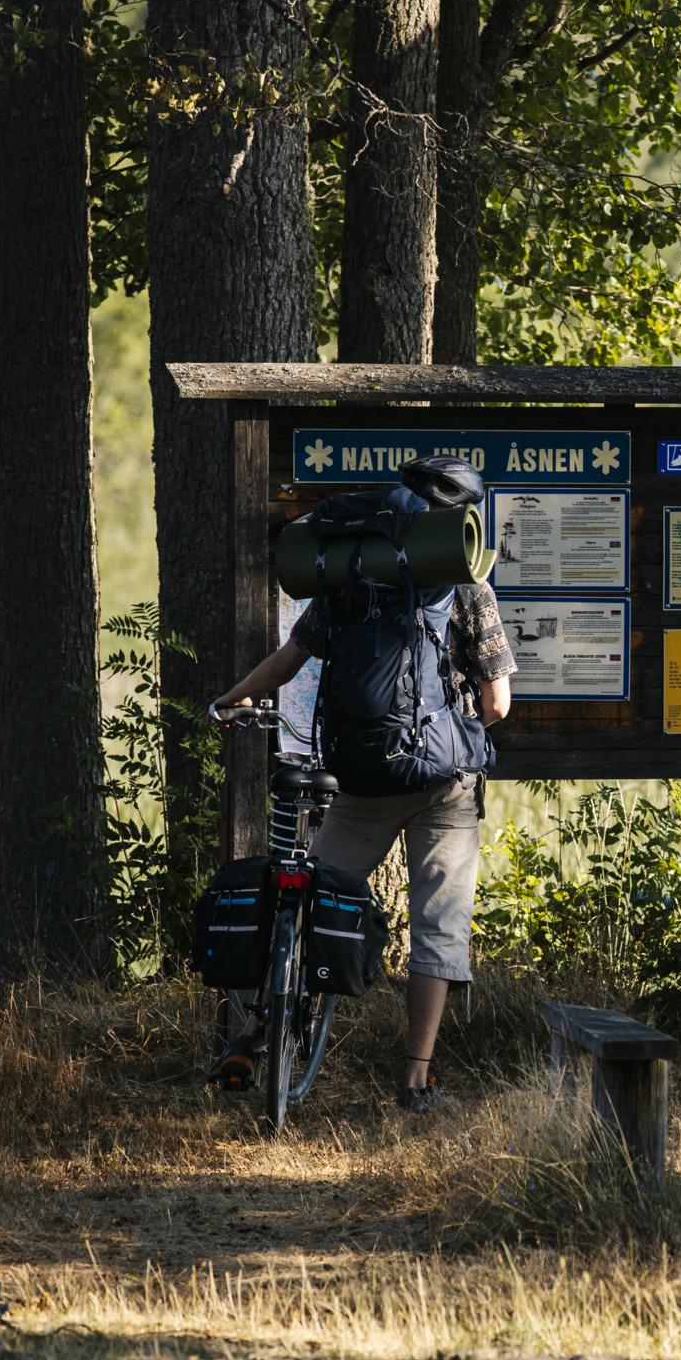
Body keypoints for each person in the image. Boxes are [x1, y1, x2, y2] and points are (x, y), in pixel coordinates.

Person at [210, 455, 515, 1112]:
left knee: (303, 897)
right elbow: (497, 705)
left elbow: (293, 656)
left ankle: (254, 1035)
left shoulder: (355, 570)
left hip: (359, 778)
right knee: (437, 927)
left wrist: (232, 699)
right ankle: (415, 1081)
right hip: (443, 785)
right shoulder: (468, 582)